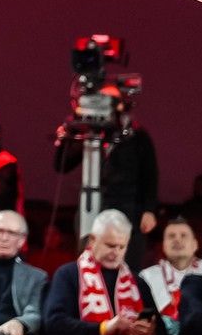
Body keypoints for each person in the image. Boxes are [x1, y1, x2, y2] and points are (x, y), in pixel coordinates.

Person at [53, 103, 159, 271]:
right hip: (94, 206)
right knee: (88, 260)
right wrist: (68, 136)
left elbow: (150, 173)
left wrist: (149, 209)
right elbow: (62, 165)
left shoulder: (136, 135)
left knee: (128, 262)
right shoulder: (91, 135)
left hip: (129, 207)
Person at [42, 209, 157, 335]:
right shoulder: (68, 274)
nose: (116, 253)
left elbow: (160, 332)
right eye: (110, 245)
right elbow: (54, 324)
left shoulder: (138, 283)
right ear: (92, 240)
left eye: (122, 247)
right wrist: (104, 328)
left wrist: (150, 334)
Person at [137, 215, 202, 335]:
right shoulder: (146, 276)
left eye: (183, 235)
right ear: (163, 245)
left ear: (195, 244)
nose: (177, 240)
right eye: (171, 236)